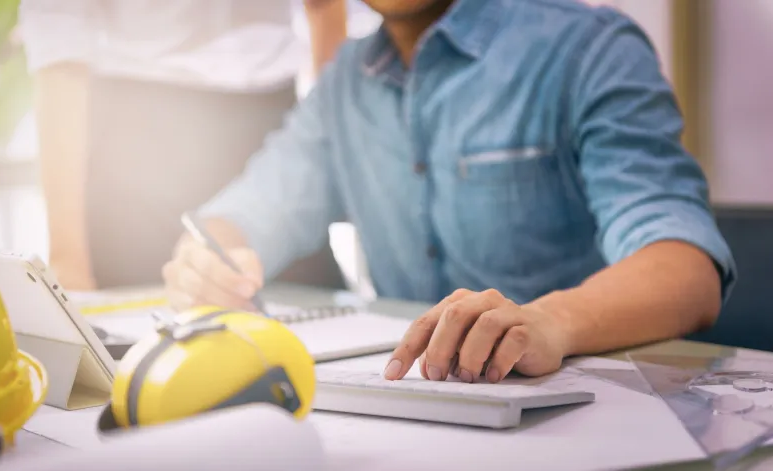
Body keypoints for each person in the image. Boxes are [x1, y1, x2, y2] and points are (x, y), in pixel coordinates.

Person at [162, 0, 736, 384]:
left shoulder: (587, 47)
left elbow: (686, 269)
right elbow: (249, 211)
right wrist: (212, 261)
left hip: (575, 413)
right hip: (412, 417)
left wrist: (550, 322)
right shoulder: (345, 83)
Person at [19, 0, 349, 291]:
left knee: (315, 326)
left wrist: (335, 136)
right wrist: (68, 266)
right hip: (140, 143)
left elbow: (324, 7)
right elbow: (58, 42)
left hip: (275, 125)